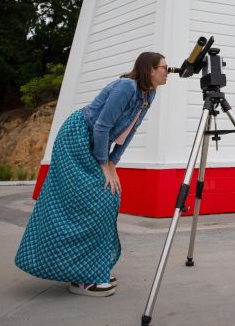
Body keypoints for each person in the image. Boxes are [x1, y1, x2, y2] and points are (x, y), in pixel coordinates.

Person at [15, 52, 168, 297]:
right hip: (77, 136)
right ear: (150, 69)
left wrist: (113, 162)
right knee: (95, 200)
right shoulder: (126, 87)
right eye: (164, 68)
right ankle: (84, 277)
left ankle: (90, 269)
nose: (167, 72)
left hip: (96, 143)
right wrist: (102, 163)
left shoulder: (149, 94)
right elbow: (102, 125)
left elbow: (130, 130)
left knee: (107, 198)